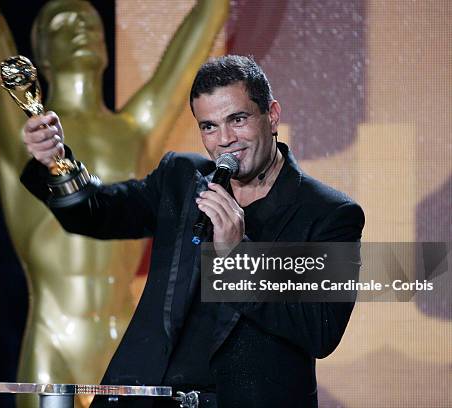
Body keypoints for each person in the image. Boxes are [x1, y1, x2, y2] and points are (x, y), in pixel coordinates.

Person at [21, 55, 365, 407]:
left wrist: (238, 256)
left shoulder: (330, 214)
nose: (225, 139)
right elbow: (95, 213)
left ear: (272, 115)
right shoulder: (183, 179)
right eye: (209, 127)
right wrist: (55, 163)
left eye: (238, 119)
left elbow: (321, 330)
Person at [0, 1, 228, 404]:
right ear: (41, 55)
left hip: (124, 334)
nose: (81, 29)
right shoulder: (28, 131)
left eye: (89, 22)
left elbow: (185, 59)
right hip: (54, 341)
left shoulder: (136, 130)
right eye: (62, 24)